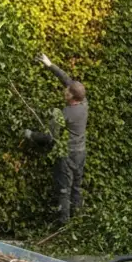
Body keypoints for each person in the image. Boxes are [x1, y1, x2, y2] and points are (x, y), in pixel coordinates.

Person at [25, 53, 88, 222]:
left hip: (67, 155)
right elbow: (67, 79)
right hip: (80, 152)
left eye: (67, 91)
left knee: (64, 190)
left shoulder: (63, 114)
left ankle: (64, 223)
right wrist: (49, 64)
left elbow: (49, 137)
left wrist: (30, 134)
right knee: (76, 187)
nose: (64, 89)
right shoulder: (84, 103)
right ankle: (79, 221)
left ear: (71, 97)